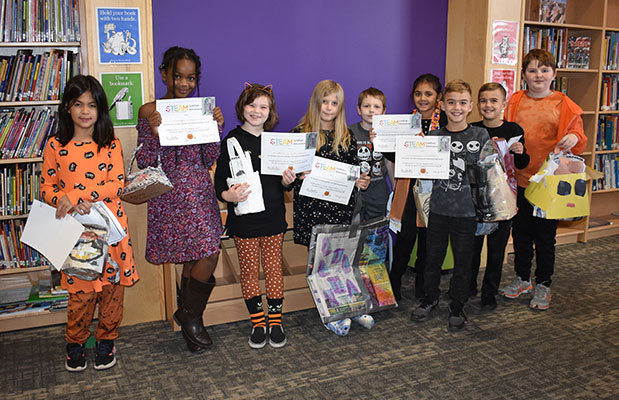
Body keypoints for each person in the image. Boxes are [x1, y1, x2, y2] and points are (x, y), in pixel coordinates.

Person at [41, 75, 139, 371]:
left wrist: (77, 194)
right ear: (67, 108)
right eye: (78, 104)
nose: (85, 111)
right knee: (81, 295)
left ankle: (107, 340)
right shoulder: (55, 146)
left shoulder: (110, 145)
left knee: (111, 293)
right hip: (77, 235)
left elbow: (117, 185)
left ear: (101, 110)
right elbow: (46, 188)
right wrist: (64, 199)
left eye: (92, 105)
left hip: (110, 233)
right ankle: (75, 343)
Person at [136, 46, 224, 352]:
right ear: (164, 75)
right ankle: (192, 321)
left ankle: (189, 316)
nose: (184, 83)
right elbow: (145, 161)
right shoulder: (149, 111)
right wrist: (154, 131)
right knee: (195, 256)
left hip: (199, 192)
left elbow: (210, 157)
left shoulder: (201, 109)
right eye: (178, 76)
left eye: (191, 78)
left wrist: (216, 128)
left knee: (206, 253)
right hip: (171, 194)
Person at [500, 49, 586, 310]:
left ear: (554, 74)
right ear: (524, 75)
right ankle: (523, 278)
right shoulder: (515, 101)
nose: (539, 75)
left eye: (544, 70)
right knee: (521, 234)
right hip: (521, 181)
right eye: (533, 70)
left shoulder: (564, 104)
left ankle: (543, 284)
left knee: (546, 238)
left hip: (549, 184)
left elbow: (579, 139)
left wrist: (575, 138)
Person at [214, 83, 295, 349]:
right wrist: (228, 196)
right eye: (252, 105)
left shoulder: (276, 142)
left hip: (273, 218)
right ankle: (258, 322)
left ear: (270, 111)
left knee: (273, 270)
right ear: (242, 107)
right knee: (249, 272)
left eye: (263, 106)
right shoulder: (231, 141)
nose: (256, 111)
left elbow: (283, 185)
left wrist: (287, 181)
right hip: (244, 221)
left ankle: (275, 321)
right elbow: (219, 184)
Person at [292, 80, 372, 336]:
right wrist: (295, 176)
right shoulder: (300, 134)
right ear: (316, 102)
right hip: (312, 210)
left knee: (343, 261)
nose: (328, 107)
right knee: (321, 264)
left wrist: (361, 181)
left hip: (340, 208)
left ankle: (350, 306)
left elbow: (354, 174)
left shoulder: (346, 136)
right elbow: (288, 176)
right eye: (324, 101)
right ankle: (331, 314)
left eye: (334, 103)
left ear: (340, 107)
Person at [411, 79, 491, 331]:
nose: (457, 107)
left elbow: (490, 174)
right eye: (452, 102)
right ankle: (430, 297)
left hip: (467, 212)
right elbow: (421, 172)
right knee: (432, 259)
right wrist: (418, 148)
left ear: (470, 107)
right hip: (438, 209)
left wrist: (488, 210)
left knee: (463, 261)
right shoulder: (434, 136)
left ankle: (458, 304)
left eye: (463, 102)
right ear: (442, 105)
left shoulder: (480, 135)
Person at [387, 74, 447, 301]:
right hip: (409, 190)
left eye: (428, 94)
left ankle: (424, 288)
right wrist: (382, 142)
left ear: (438, 97)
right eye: (418, 94)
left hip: (435, 192)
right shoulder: (406, 123)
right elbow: (394, 155)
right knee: (404, 242)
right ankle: (394, 288)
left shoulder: (445, 124)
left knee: (428, 244)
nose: (423, 98)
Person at [469, 82, 529, 310]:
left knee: (496, 250)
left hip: (503, 201)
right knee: (472, 247)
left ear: (504, 104)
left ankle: (489, 293)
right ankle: (468, 286)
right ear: (477, 104)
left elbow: (523, 163)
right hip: (476, 199)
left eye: (494, 100)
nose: (488, 105)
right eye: (483, 100)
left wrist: (521, 152)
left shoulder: (513, 130)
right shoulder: (473, 129)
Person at [348, 87, 393, 221]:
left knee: (376, 235)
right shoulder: (348, 132)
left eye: (377, 107)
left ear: (383, 111)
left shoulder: (388, 134)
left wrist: (396, 189)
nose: (371, 110)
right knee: (353, 235)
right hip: (354, 193)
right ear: (358, 109)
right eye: (366, 106)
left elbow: (390, 163)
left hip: (378, 194)